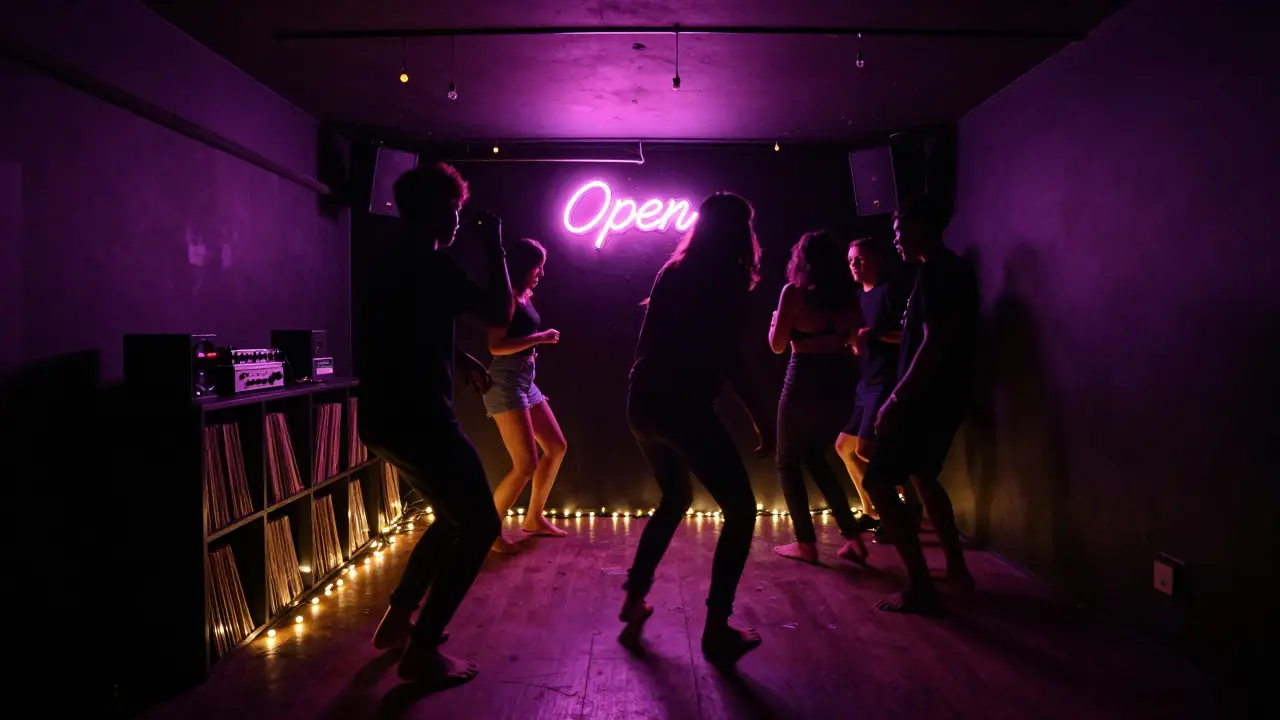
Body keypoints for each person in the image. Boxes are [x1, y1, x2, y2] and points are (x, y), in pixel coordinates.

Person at [356, 162, 515, 685]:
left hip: (382, 419)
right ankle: (421, 653)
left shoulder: (390, 261)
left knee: (453, 516)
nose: (457, 221)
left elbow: (405, 327)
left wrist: (460, 355)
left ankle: (399, 619)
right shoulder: (432, 265)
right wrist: (496, 244)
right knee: (481, 524)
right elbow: (499, 312)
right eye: (454, 210)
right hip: (422, 420)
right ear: (433, 209)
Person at [619, 192, 775, 665]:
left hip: (643, 402)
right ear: (740, 233)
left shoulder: (674, 271)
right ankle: (716, 629)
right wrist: (760, 415)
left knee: (674, 499)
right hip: (683, 407)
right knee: (742, 511)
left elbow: (647, 342)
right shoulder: (724, 278)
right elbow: (730, 358)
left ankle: (633, 596)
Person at [864, 196, 977, 613]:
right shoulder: (951, 271)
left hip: (924, 398)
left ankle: (920, 586)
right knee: (924, 477)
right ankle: (956, 571)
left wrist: (896, 398)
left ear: (924, 229)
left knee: (878, 482)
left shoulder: (936, 273)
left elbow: (934, 344)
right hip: (943, 396)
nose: (895, 238)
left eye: (900, 230)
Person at [768, 231, 868, 565]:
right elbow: (856, 344)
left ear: (802, 261)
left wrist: (773, 326)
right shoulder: (848, 297)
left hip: (804, 380)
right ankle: (853, 537)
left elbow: (778, 345)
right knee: (816, 457)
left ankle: (806, 544)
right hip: (840, 382)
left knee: (787, 462)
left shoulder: (793, 294)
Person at [483, 238, 570, 551]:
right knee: (524, 465)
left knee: (557, 447)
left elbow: (517, 338)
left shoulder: (524, 295)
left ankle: (534, 518)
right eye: (538, 266)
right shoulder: (506, 298)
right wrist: (540, 338)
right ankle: (486, 532)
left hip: (524, 381)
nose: (541, 274)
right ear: (523, 266)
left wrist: (531, 348)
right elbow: (494, 345)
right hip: (505, 385)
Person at [835, 237, 922, 541]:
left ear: (875, 259)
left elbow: (913, 336)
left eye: (859, 259)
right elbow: (860, 337)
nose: (853, 266)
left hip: (886, 381)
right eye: (849, 261)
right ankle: (873, 512)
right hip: (866, 382)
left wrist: (875, 334)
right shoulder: (859, 297)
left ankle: (902, 511)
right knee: (844, 448)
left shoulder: (891, 292)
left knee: (867, 449)